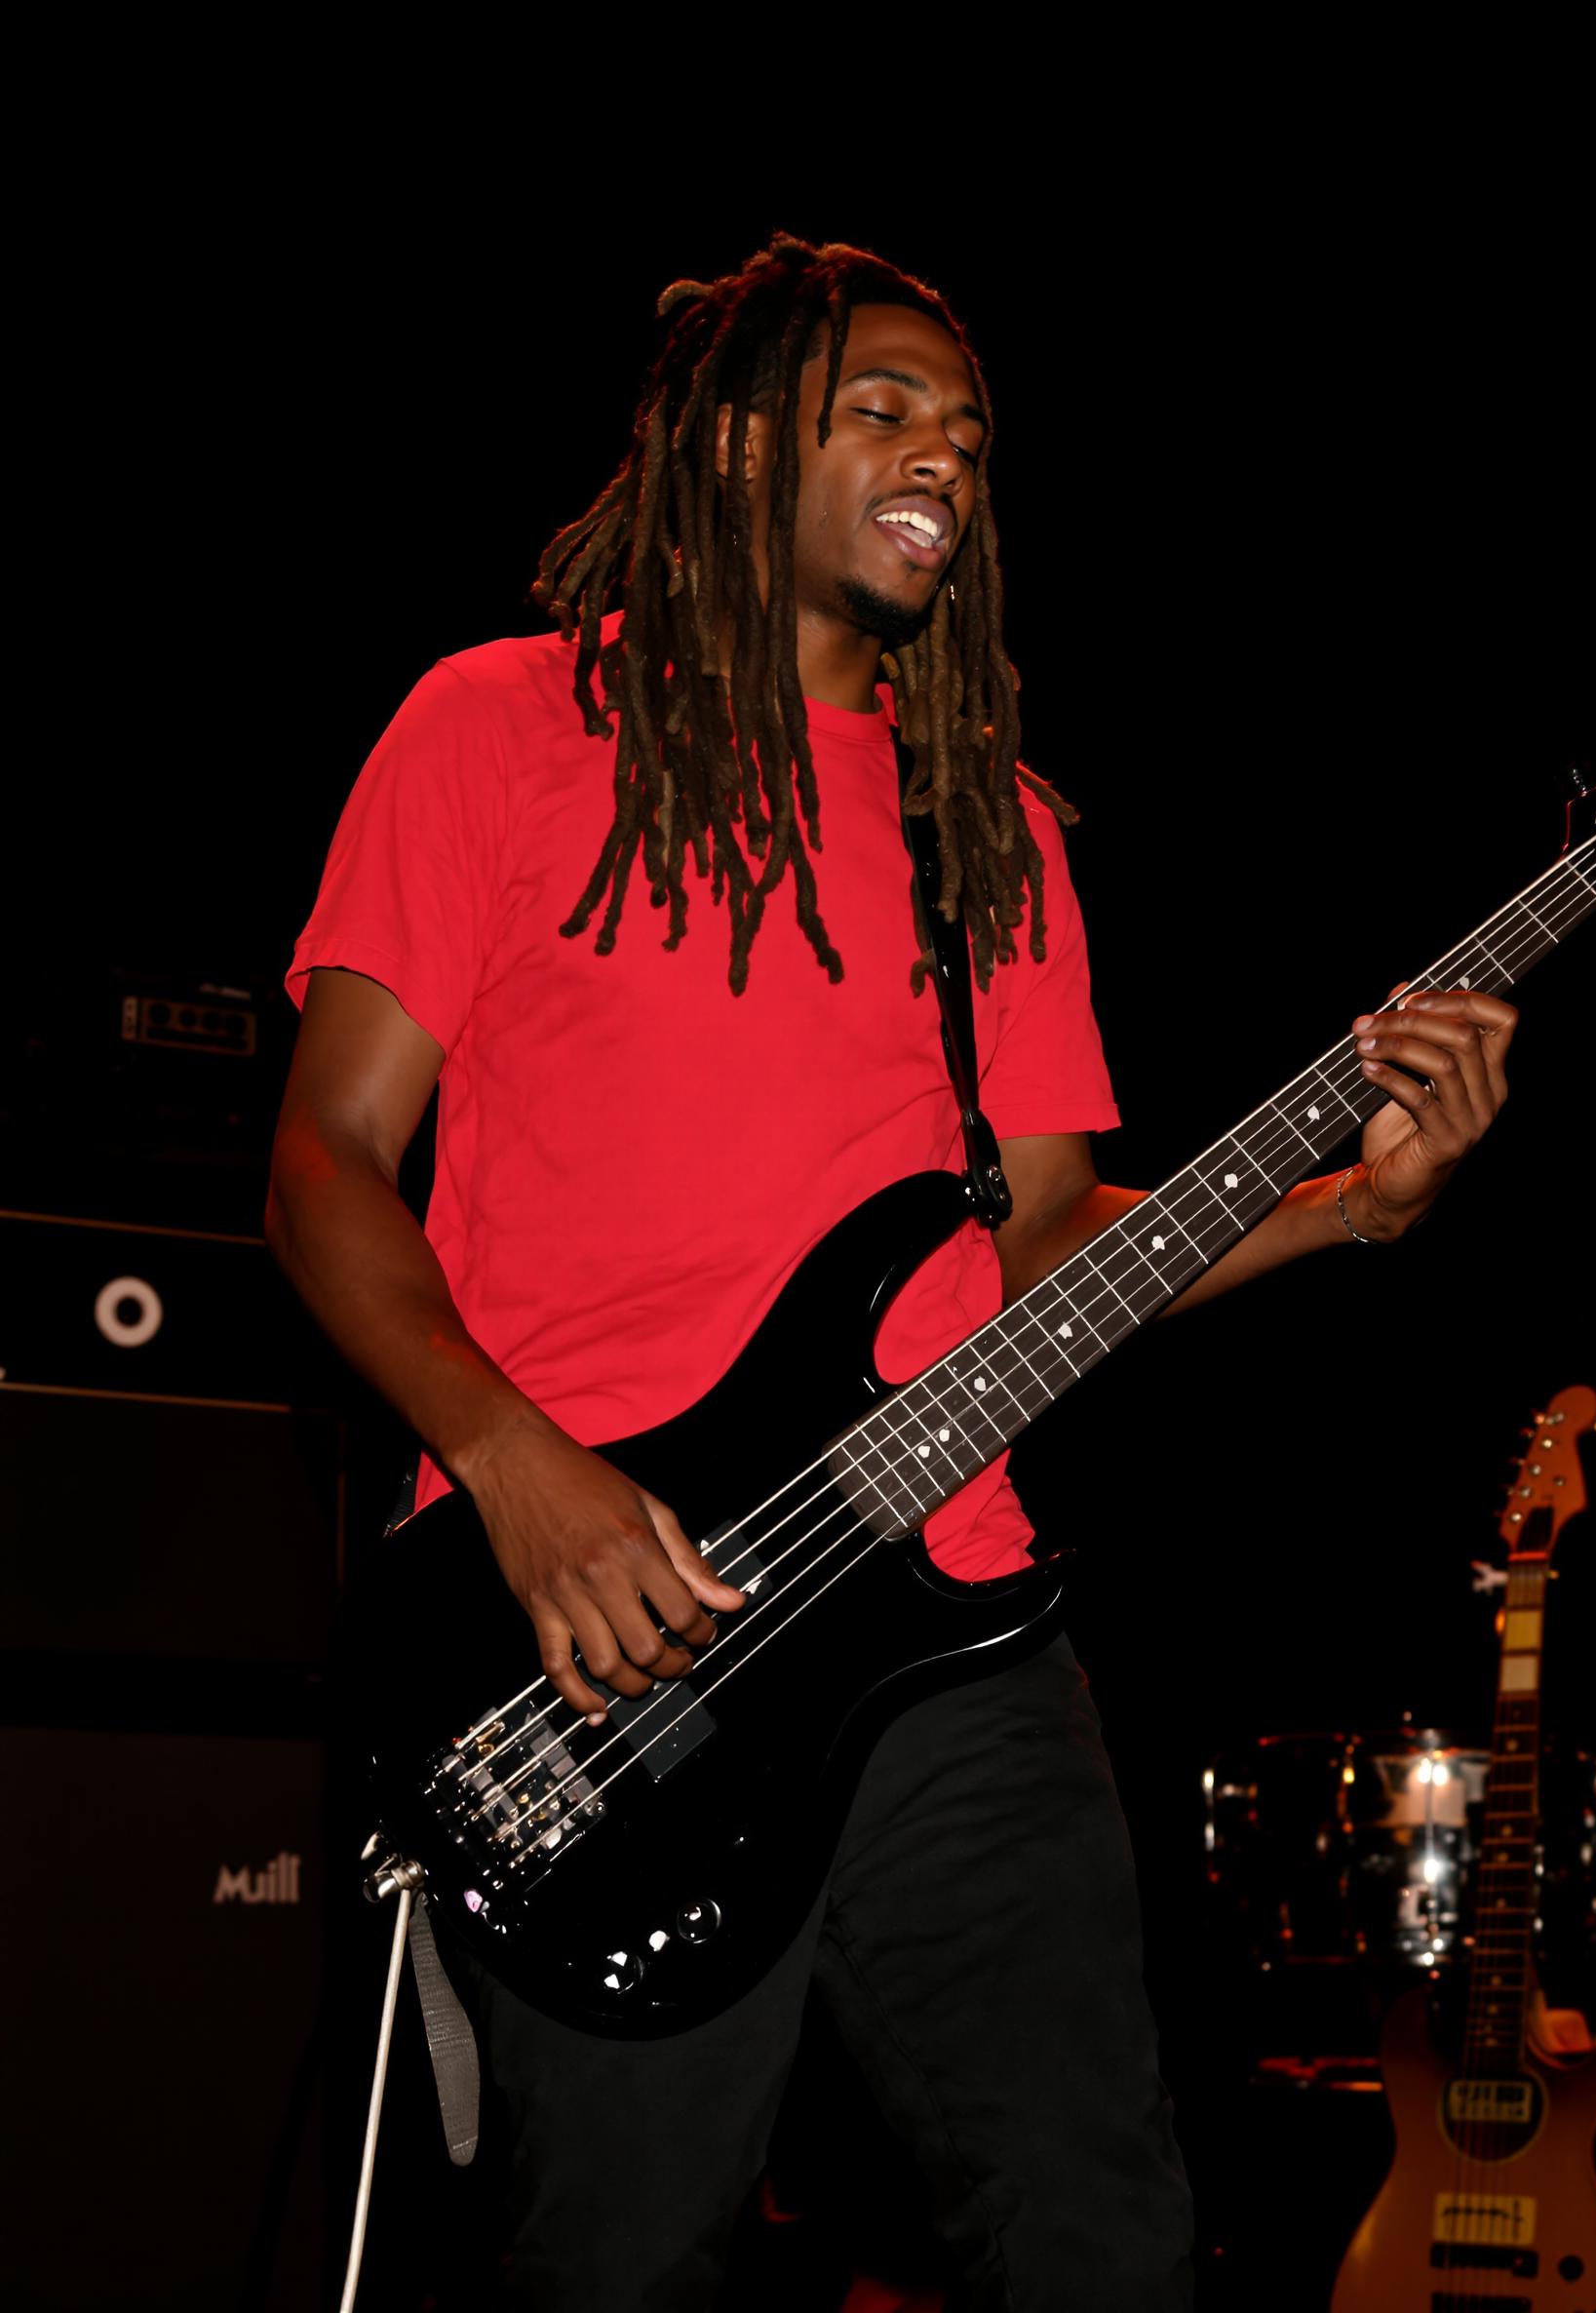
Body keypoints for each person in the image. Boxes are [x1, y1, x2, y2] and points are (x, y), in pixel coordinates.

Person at [267, 236, 1517, 2310]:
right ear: (741, 444)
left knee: (1099, 2233)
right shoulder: (501, 729)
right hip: (605, 1644)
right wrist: (516, 1464)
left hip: (956, 1638)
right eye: (883, 409)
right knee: (619, 2258)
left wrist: (1346, 1215)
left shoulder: (989, 838)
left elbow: (1042, 1241)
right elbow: (323, 1162)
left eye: (967, 429)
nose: (944, 451)